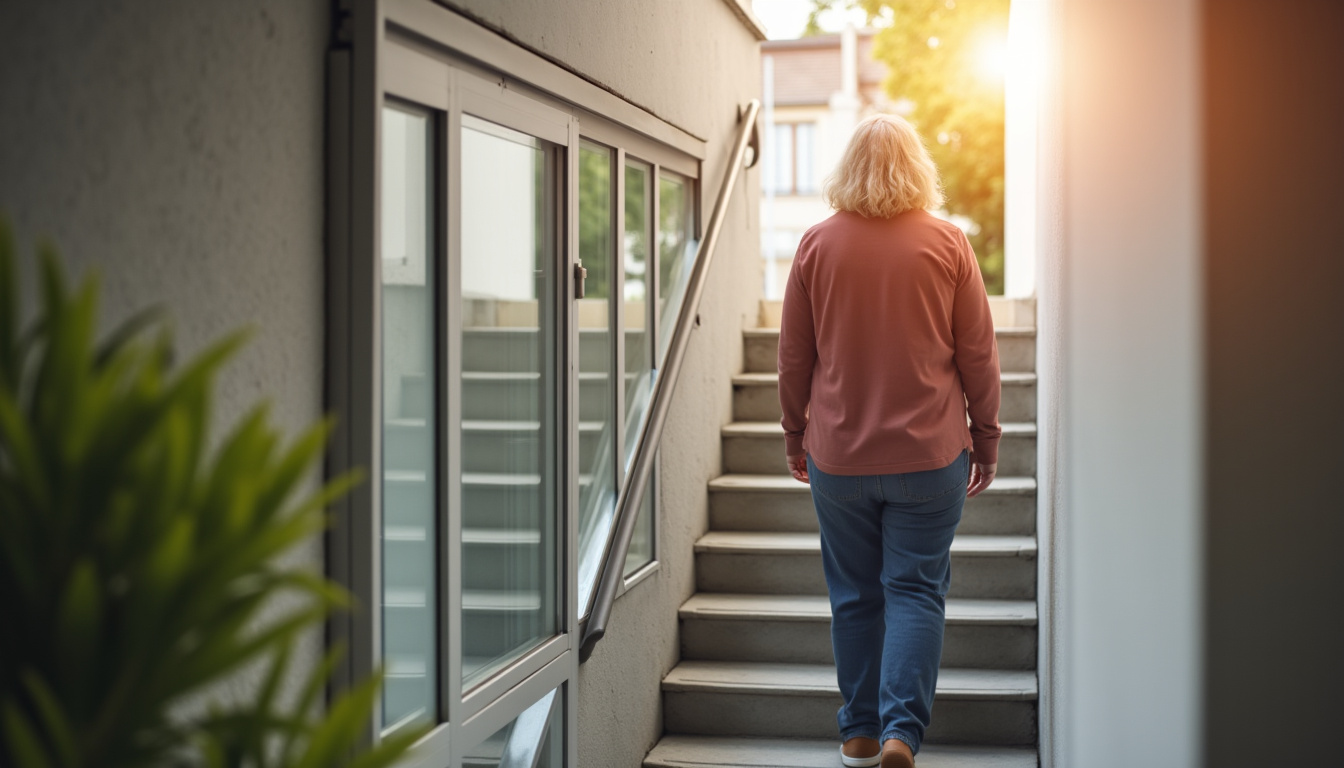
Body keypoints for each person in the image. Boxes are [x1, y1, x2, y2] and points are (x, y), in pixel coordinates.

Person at [777, 113, 1001, 768]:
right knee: (915, 591)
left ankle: (858, 732)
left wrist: (795, 433)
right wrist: (985, 440)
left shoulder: (816, 245)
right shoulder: (949, 243)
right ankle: (903, 734)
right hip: (931, 458)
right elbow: (978, 356)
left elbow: (795, 357)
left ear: (847, 169)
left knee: (854, 595)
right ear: (916, 169)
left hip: (839, 458)